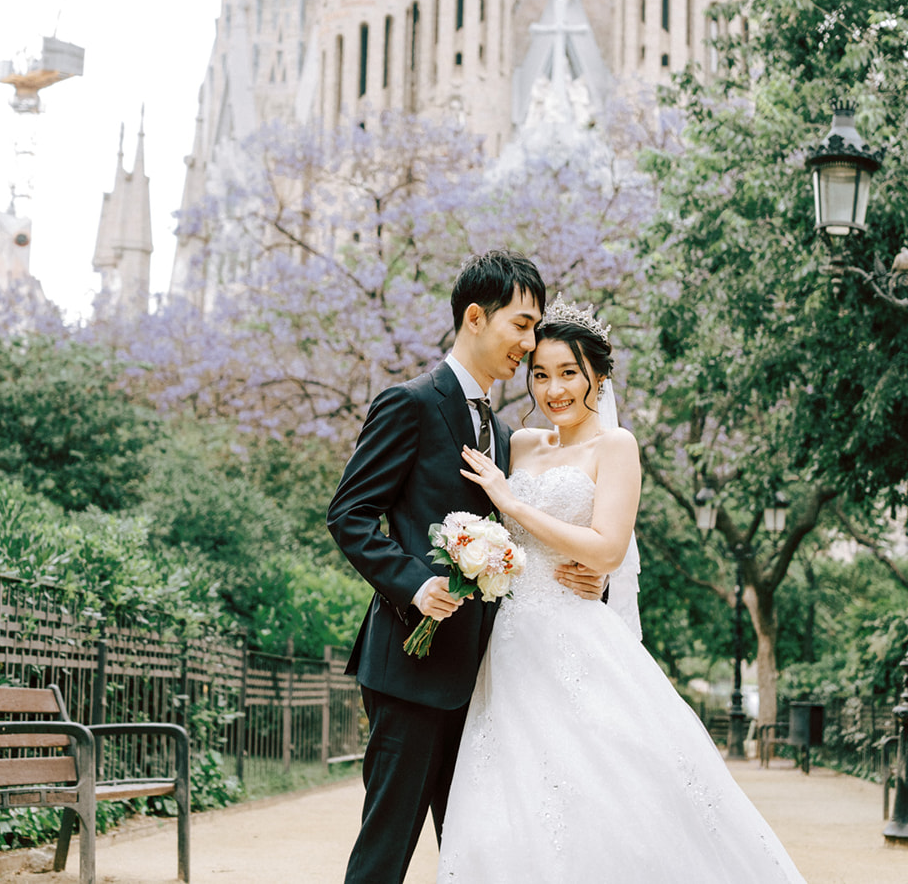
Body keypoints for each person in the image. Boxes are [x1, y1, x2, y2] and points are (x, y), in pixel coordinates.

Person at [437, 296, 808, 883]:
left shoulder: (617, 447)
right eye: (540, 374)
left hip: (576, 636)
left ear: (599, 377)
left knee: (604, 787)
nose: (554, 389)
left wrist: (515, 505)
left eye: (569, 373)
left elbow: (608, 549)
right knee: (510, 795)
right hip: (509, 644)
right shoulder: (520, 443)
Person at [328, 251, 608, 884]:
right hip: (413, 667)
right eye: (522, 325)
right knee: (385, 852)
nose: (530, 344)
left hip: (490, 679)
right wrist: (415, 584)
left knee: (480, 854)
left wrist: (593, 577)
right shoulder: (409, 403)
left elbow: (527, 537)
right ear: (476, 317)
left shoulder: (506, 436)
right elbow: (350, 514)